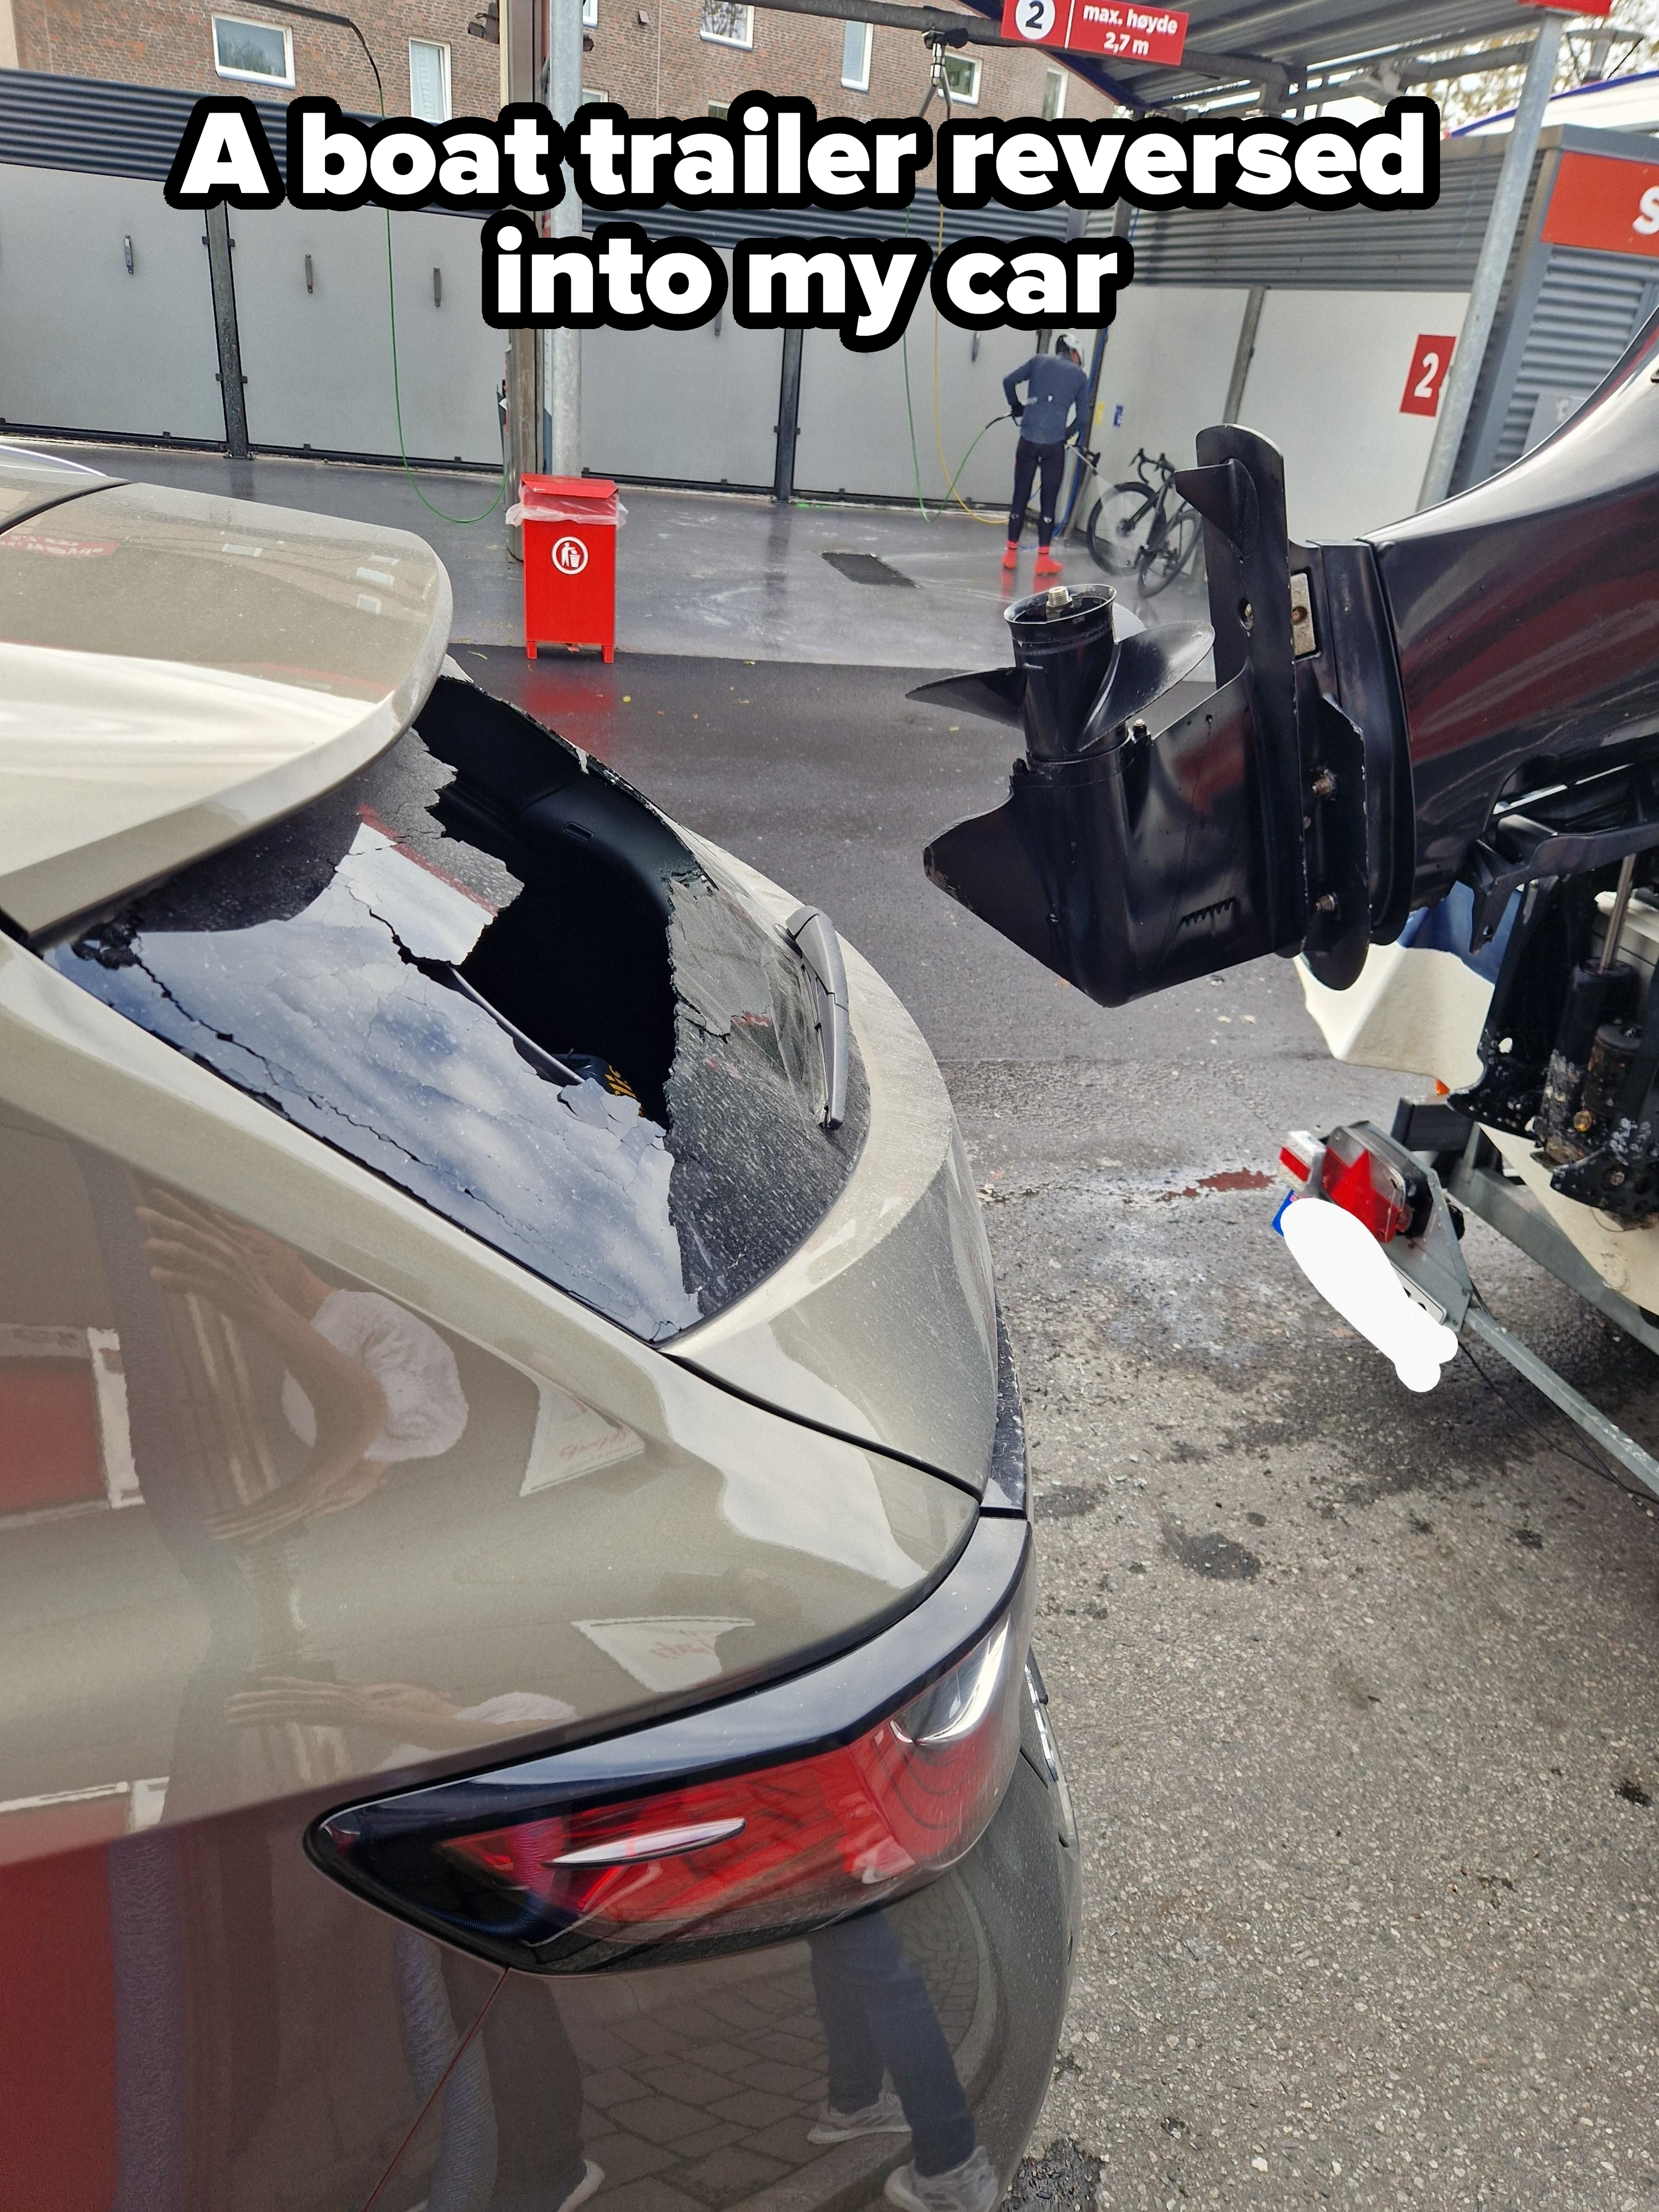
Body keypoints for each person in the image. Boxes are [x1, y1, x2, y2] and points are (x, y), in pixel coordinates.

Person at [1001, 337, 1089, 580]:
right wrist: (1065, 435)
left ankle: (1010, 555)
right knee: (1048, 501)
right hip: (1053, 447)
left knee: (1020, 495)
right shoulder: (1080, 377)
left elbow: (1008, 382)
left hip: (1028, 440)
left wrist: (1016, 406)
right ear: (1074, 354)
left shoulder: (1038, 361)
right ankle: (1043, 561)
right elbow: (1083, 418)